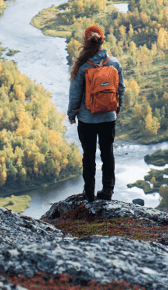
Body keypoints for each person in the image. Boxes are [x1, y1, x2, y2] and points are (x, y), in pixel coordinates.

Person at [67, 25, 125, 202]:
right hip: (108, 117)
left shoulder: (82, 66)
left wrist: (71, 114)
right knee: (107, 153)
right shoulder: (113, 62)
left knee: (89, 155)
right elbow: (120, 89)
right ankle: (107, 192)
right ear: (102, 41)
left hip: (87, 119)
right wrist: (117, 108)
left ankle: (89, 193)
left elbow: (75, 94)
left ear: (86, 41)